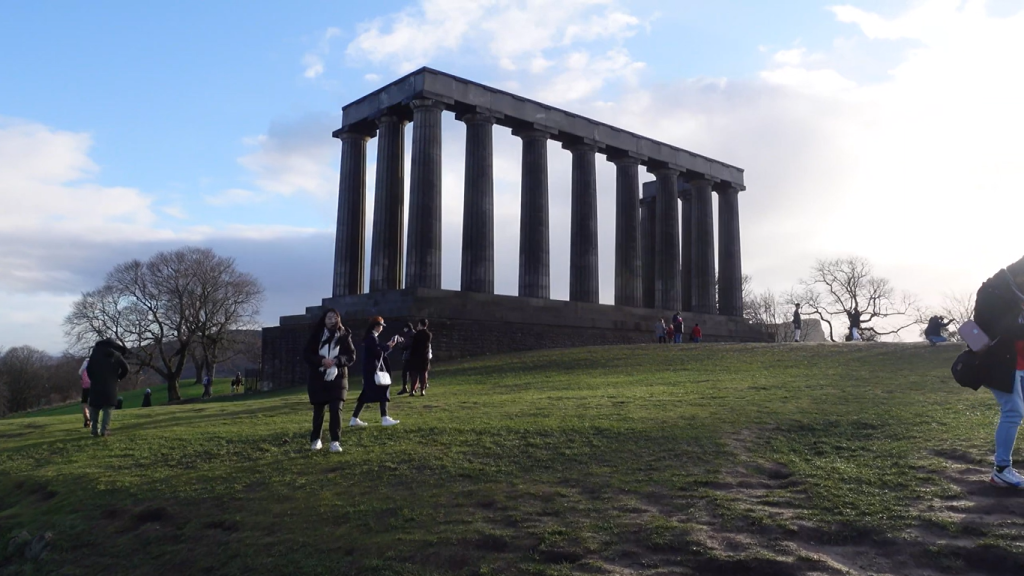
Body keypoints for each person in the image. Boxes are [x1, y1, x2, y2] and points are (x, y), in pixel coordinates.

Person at [972, 258, 1024, 488]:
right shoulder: (993, 292)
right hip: (1003, 363)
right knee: (1013, 411)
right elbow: (998, 328)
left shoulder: (1012, 292)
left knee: (1015, 412)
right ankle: (1002, 470)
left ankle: (1003, 469)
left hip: (1019, 362)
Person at [303, 308, 356, 453]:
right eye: (329, 318)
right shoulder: (317, 335)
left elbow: (351, 356)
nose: (332, 320)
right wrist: (321, 361)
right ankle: (316, 439)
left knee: (336, 409)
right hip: (318, 377)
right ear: (324, 320)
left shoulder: (344, 335)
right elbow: (307, 354)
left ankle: (335, 441)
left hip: (338, 377)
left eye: (335, 317)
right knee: (319, 409)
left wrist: (337, 361)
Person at [352, 316, 401, 428]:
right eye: (381, 326)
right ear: (376, 326)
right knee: (383, 390)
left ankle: (354, 419)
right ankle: (384, 418)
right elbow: (378, 353)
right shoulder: (372, 338)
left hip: (369, 370)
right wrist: (389, 347)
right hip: (373, 370)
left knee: (365, 395)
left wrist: (386, 346)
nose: (382, 329)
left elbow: (377, 350)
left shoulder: (370, 338)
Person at [85, 338, 129, 437]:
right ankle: (104, 430)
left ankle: (94, 430)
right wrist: (118, 378)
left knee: (95, 408)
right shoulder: (116, 355)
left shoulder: (94, 354)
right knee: (107, 408)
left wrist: (93, 379)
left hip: (96, 384)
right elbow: (126, 368)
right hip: (110, 385)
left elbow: (88, 369)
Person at [408, 319, 432, 397]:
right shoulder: (429, 334)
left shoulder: (416, 335)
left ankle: (412, 390)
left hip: (415, 356)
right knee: (423, 374)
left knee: (415, 374)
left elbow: (413, 346)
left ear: (420, 325)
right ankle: (422, 390)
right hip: (424, 356)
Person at [397, 322, 415, 395]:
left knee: (405, 372)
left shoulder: (409, 335)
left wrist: (400, 343)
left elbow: (406, 346)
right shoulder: (414, 334)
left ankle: (405, 387)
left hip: (409, 356)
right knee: (412, 373)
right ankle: (413, 388)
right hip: (414, 356)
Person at [78, 358, 91, 428]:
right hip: (95, 386)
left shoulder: (86, 361)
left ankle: (87, 416)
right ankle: (92, 419)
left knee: (84, 403)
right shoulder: (99, 360)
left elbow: (80, 372)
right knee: (93, 404)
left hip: (86, 386)